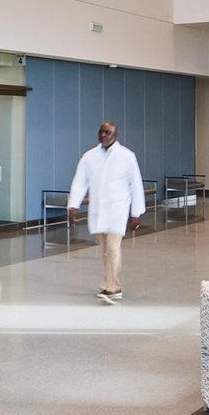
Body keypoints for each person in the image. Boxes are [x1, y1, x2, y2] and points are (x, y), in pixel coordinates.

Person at [67, 121, 144, 302]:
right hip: (98, 210)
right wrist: (73, 205)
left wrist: (136, 213)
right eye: (101, 131)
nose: (103, 135)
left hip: (118, 209)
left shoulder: (127, 156)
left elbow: (136, 184)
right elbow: (80, 181)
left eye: (107, 132)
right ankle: (113, 283)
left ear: (115, 135)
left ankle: (111, 288)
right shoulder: (89, 157)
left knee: (113, 248)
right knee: (105, 251)